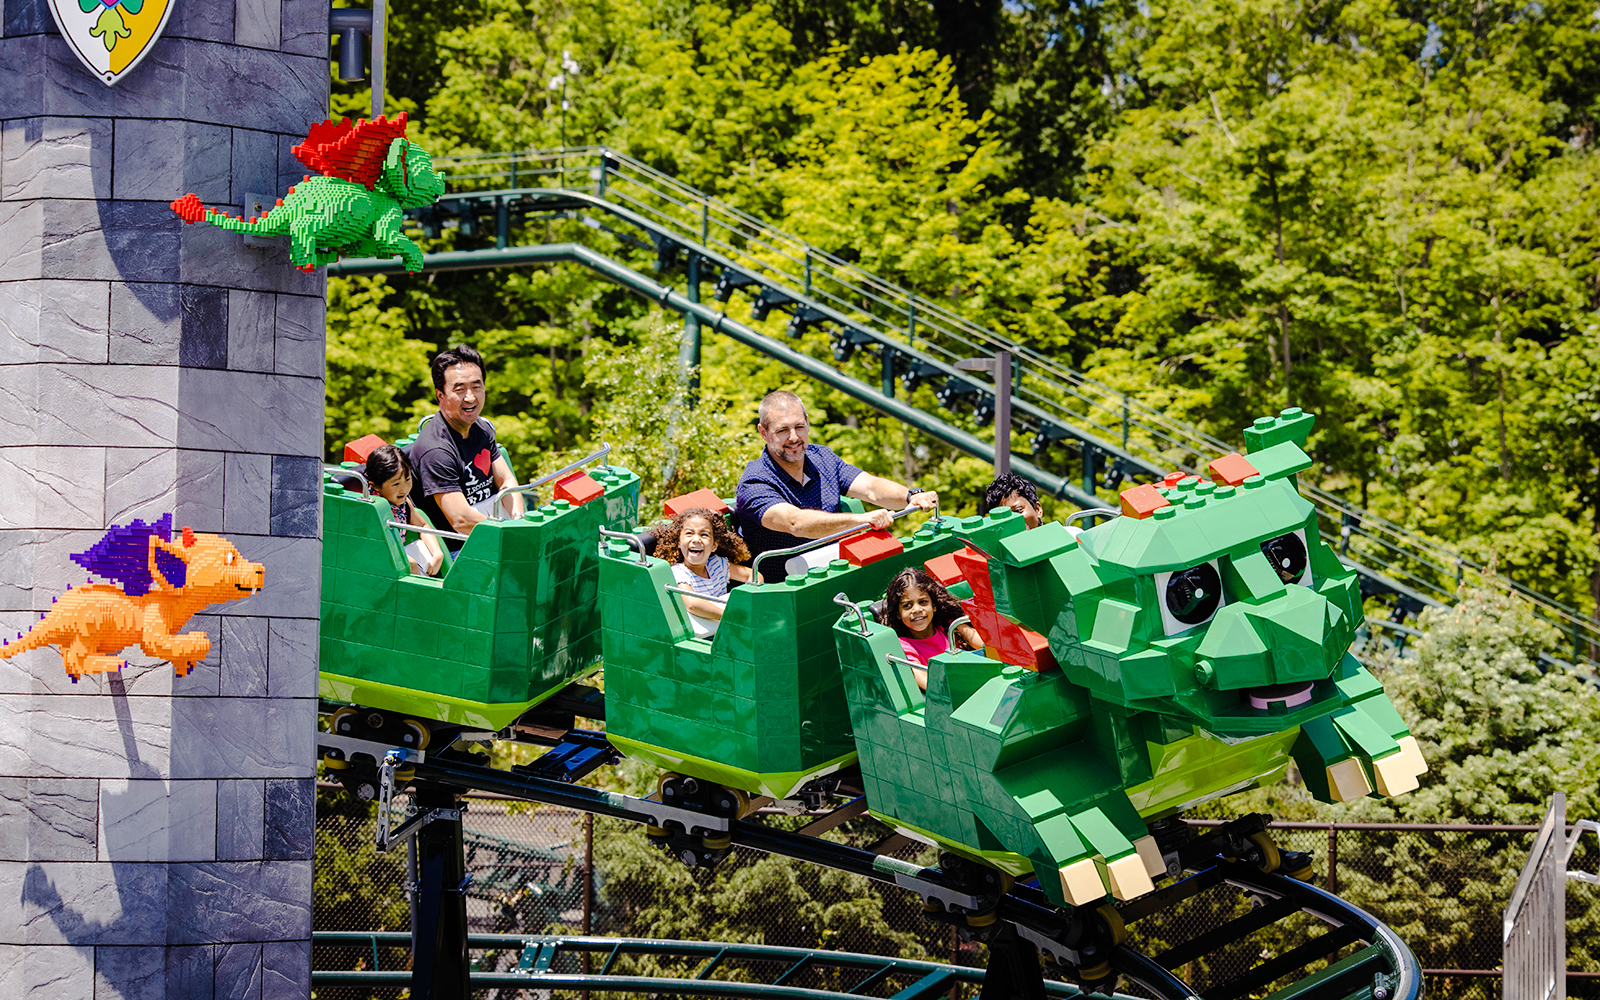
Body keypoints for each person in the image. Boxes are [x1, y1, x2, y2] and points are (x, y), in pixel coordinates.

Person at [734, 391, 938, 580]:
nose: (794, 437)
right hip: (784, 590)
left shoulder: (822, 458)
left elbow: (870, 487)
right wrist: (861, 519)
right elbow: (794, 523)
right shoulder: (754, 482)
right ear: (764, 432)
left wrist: (910, 496)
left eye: (798, 427)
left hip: (837, 574)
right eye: (782, 431)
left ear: (807, 422)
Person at [412, 345, 525, 550]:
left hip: (491, 529)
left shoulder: (481, 428)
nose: (470, 397)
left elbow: (506, 481)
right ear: (440, 395)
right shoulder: (437, 450)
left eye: (476, 386)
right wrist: (510, 539)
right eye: (459, 389)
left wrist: (518, 521)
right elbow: (460, 520)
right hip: (460, 548)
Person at [654, 508, 758, 637]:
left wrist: (748, 601)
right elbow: (692, 604)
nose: (696, 539)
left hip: (725, 629)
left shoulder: (717, 564)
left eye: (704, 535)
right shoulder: (678, 573)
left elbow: (752, 575)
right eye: (689, 533)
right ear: (679, 542)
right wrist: (728, 614)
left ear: (714, 545)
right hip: (703, 637)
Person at [876, 567, 983, 691]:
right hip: (949, 693)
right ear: (898, 614)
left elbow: (983, 644)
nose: (916, 610)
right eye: (907, 605)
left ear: (934, 606)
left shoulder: (949, 626)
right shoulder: (903, 645)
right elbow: (926, 681)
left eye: (923, 602)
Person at [366, 444, 445, 577]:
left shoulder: (404, 503)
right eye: (396, 484)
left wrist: (437, 553)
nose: (404, 489)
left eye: (407, 480)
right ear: (375, 486)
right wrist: (409, 563)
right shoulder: (370, 510)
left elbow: (422, 525)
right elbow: (374, 549)